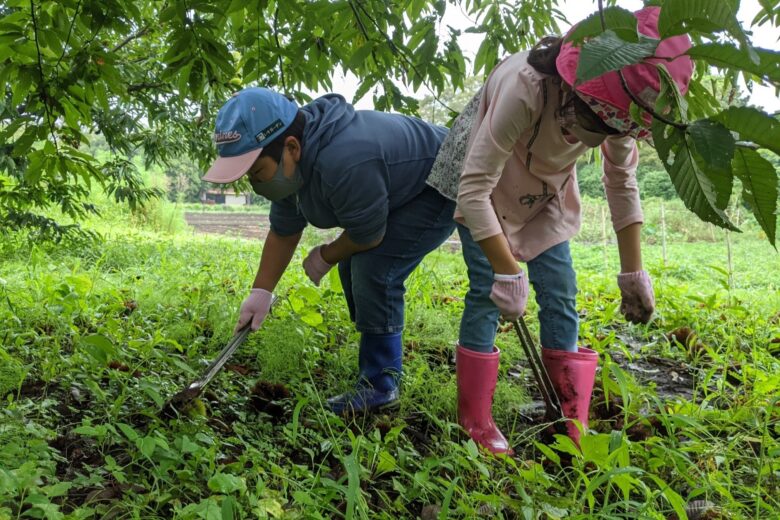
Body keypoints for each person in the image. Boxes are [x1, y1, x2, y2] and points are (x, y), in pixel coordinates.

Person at [425, 6, 693, 454]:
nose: (594, 137)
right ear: (573, 87)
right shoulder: (525, 88)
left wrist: (633, 273)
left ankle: (568, 416)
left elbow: (621, 182)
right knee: (485, 294)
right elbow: (474, 190)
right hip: (485, 184)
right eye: (592, 122)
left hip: (546, 191)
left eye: (609, 129)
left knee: (560, 289)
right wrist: (506, 270)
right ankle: (475, 420)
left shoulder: (621, 104)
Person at [202, 87, 456, 414]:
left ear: (291, 147)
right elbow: (284, 230)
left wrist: (325, 256)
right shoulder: (290, 163)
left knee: (375, 269)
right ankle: (376, 343)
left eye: (256, 172)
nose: (255, 184)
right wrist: (260, 291)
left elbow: (367, 235)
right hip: (400, 187)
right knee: (355, 269)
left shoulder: (345, 159)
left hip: (439, 184)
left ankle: (382, 384)